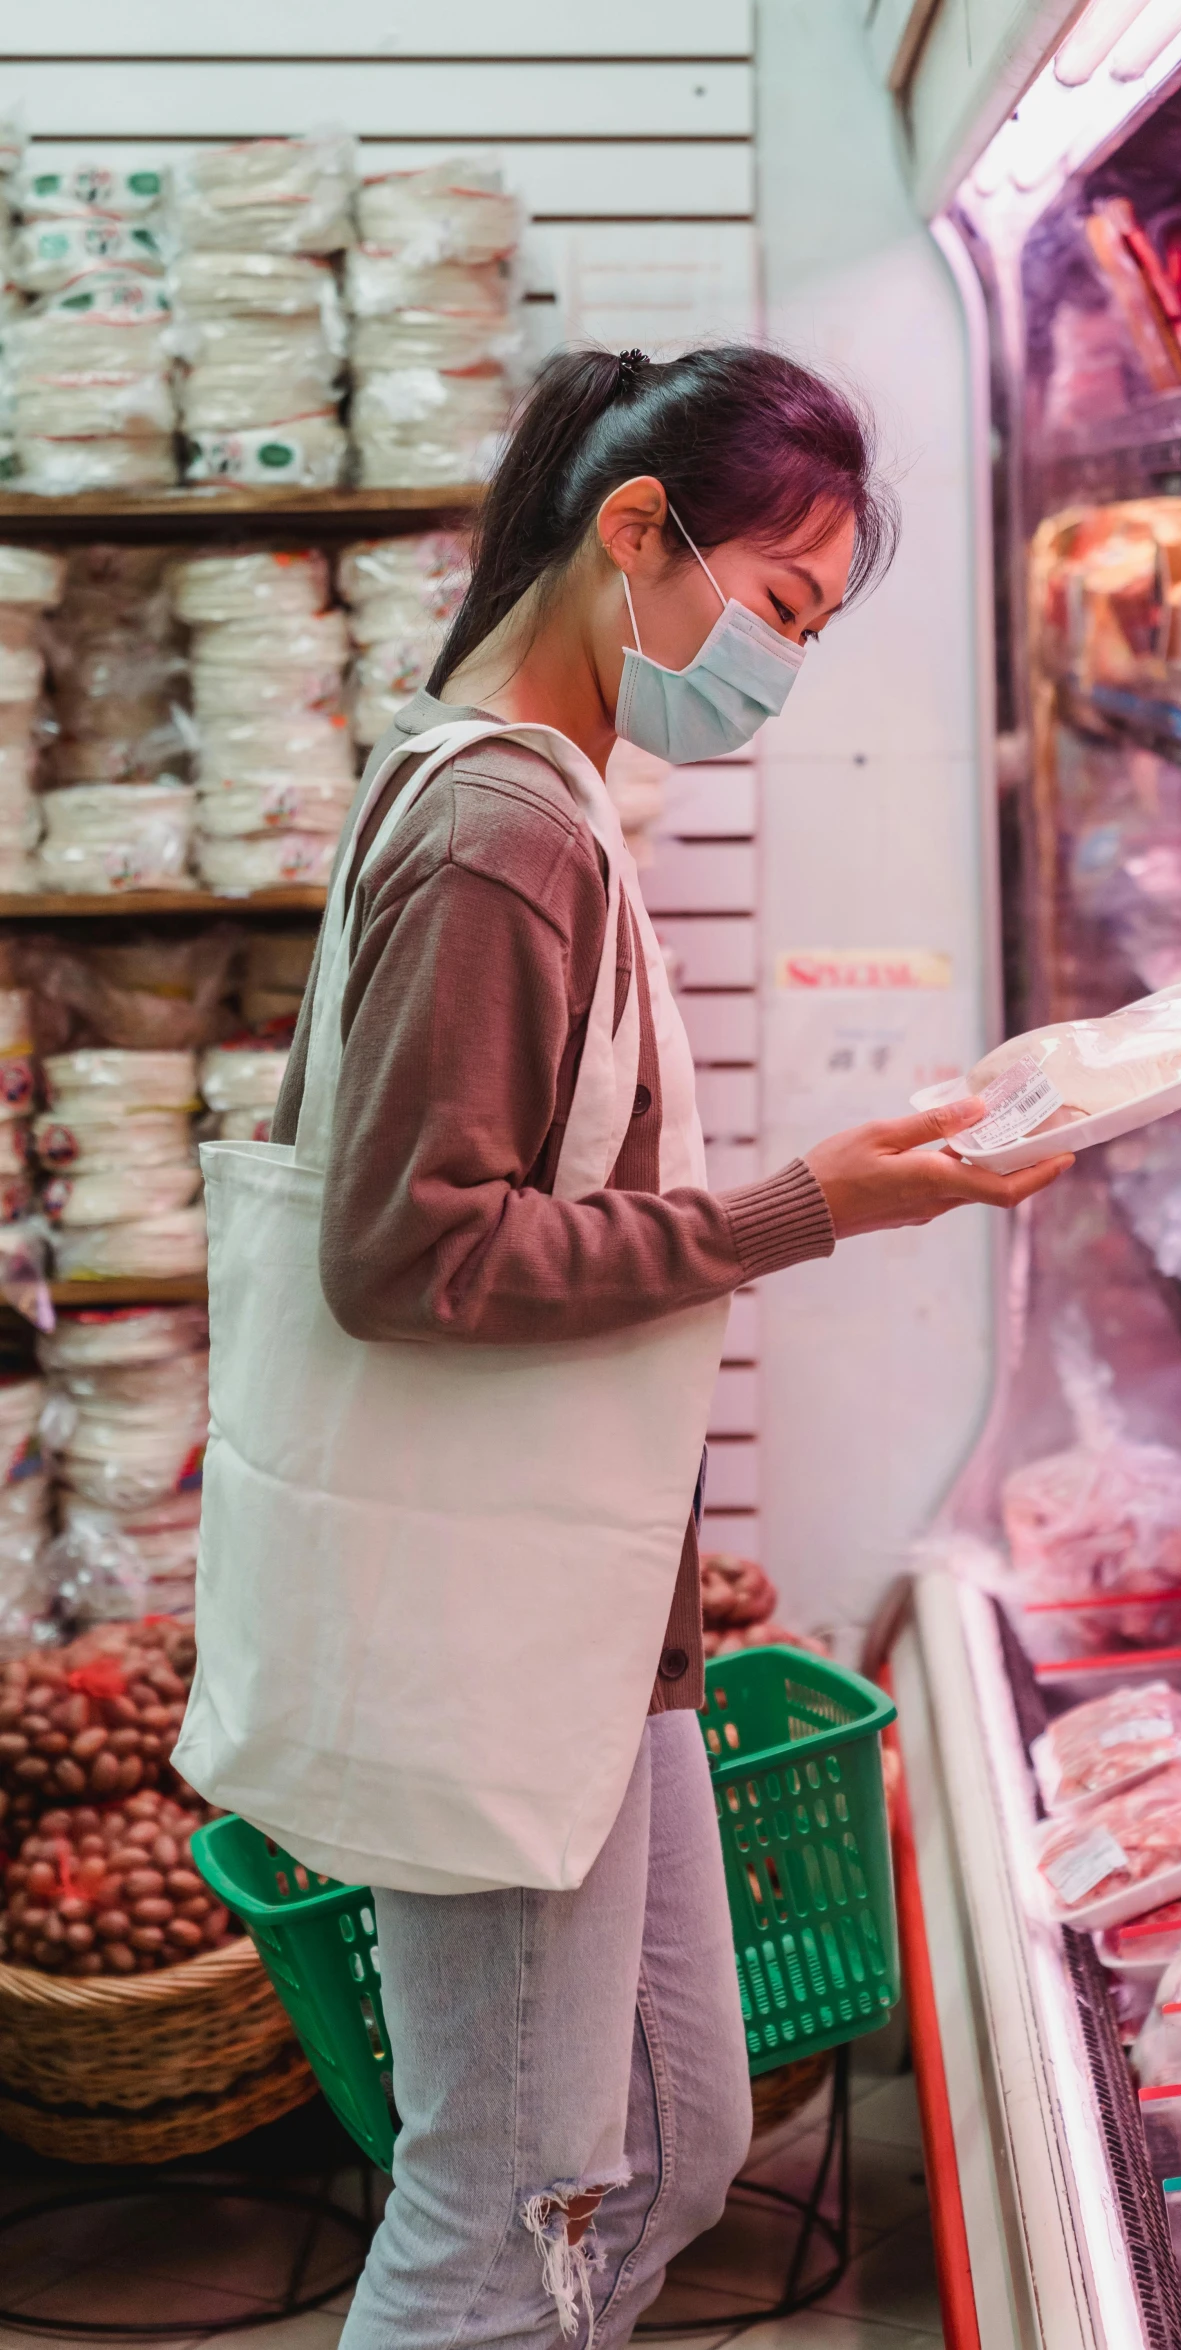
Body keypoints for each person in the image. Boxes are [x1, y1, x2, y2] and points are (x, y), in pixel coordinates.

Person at [173, 344, 1072, 2349]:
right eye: (776, 608)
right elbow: (411, 1255)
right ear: (637, 531)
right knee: (509, 2200)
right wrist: (819, 1198)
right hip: (500, 1634)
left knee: (666, 2134)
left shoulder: (542, 793)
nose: (778, 674)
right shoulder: (507, 834)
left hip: (586, 1623)